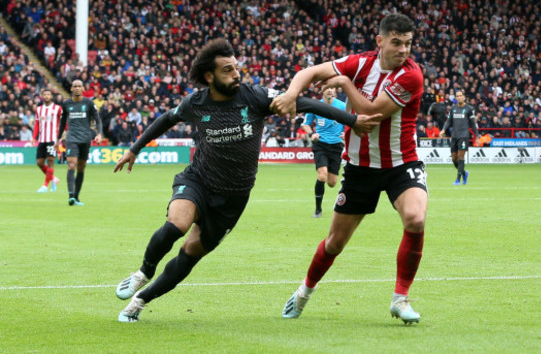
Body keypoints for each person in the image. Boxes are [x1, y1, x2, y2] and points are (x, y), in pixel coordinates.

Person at [112, 38, 381, 323]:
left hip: (233, 197)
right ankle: (143, 272)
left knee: (190, 254)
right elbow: (166, 119)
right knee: (177, 223)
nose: (236, 74)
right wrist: (134, 149)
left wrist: (351, 121)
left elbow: (309, 104)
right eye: (227, 70)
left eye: (237, 68)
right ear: (209, 76)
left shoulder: (256, 97)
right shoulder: (196, 103)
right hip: (198, 181)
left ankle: (140, 301)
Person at [271, 13, 427, 324]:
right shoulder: (360, 63)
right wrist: (291, 94)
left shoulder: (411, 76)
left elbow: (370, 114)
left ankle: (401, 299)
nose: (403, 50)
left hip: (401, 162)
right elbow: (309, 71)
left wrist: (343, 82)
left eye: (408, 44)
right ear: (380, 41)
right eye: (396, 43)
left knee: (415, 218)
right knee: (335, 243)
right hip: (359, 167)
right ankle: (303, 293)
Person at [301, 88, 346, 218]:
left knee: (332, 183)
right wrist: (311, 134)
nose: (329, 91)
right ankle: (318, 210)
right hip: (320, 144)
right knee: (322, 175)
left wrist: (346, 133)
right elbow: (306, 124)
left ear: (335, 90)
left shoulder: (343, 106)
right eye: (326, 88)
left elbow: (350, 122)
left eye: (331, 88)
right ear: (322, 91)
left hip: (336, 145)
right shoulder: (315, 106)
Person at [56, 79, 103, 206]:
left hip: (85, 139)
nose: (77, 88)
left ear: (83, 89)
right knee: (71, 165)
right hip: (71, 138)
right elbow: (62, 123)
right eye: (75, 86)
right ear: (71, 89)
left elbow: (97, 120)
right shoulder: (66, 104)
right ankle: (70, 195)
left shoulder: (88, 103)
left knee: (81, 167)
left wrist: (99, 134)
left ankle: (76, 197)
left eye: (79, 86)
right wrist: (58, 139)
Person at [439, 90, 479, 186]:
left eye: (461, 95)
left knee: (461, 157)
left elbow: (473, 124)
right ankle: (465, 173)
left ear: (464, 97)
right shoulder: (453, 109)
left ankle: (458, 179)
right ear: (456, 98)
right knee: (454, 158)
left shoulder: (469, 109)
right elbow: (448, 121)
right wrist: (443, 129)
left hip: (464, 136)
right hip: (455, 136)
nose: (459, 97)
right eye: (457, 96)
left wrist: (477, 136)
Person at [32, 89, 62, 192]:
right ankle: (54, 179)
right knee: (39, 163)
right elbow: (36, 124)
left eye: (48, 94)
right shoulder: (39, 109)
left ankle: (45, 186)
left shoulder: (57, 108)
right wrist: (33, 138)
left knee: (50, 162)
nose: (46, 96)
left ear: (52, 96)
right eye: (44, 94)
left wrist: (61, 137)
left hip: (52, 139)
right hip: (42, 139)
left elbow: (63, 123)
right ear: (42, 97)